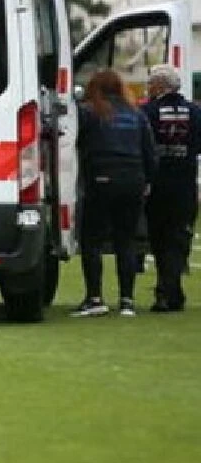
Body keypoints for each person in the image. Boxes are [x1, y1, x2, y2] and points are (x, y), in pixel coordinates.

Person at [70, 69, 158, 318]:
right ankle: (127, 300)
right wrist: (148, 179)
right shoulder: (136, 114)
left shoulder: (89, 112)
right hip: (133, 179)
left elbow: (76, 144)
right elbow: (149, 151)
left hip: (101, 177)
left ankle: (95, 297)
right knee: (126, 241)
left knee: (92, 240)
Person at [141, 64, 201, 313]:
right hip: (185, 185)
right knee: (178, 238)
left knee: (159, 238)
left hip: (157, 186)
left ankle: (166, 291)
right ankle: (171, 290)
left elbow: (143, 145)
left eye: (150, 83)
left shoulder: (148, 111)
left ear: (159, 86)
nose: (148, 87)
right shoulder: (195, 112)